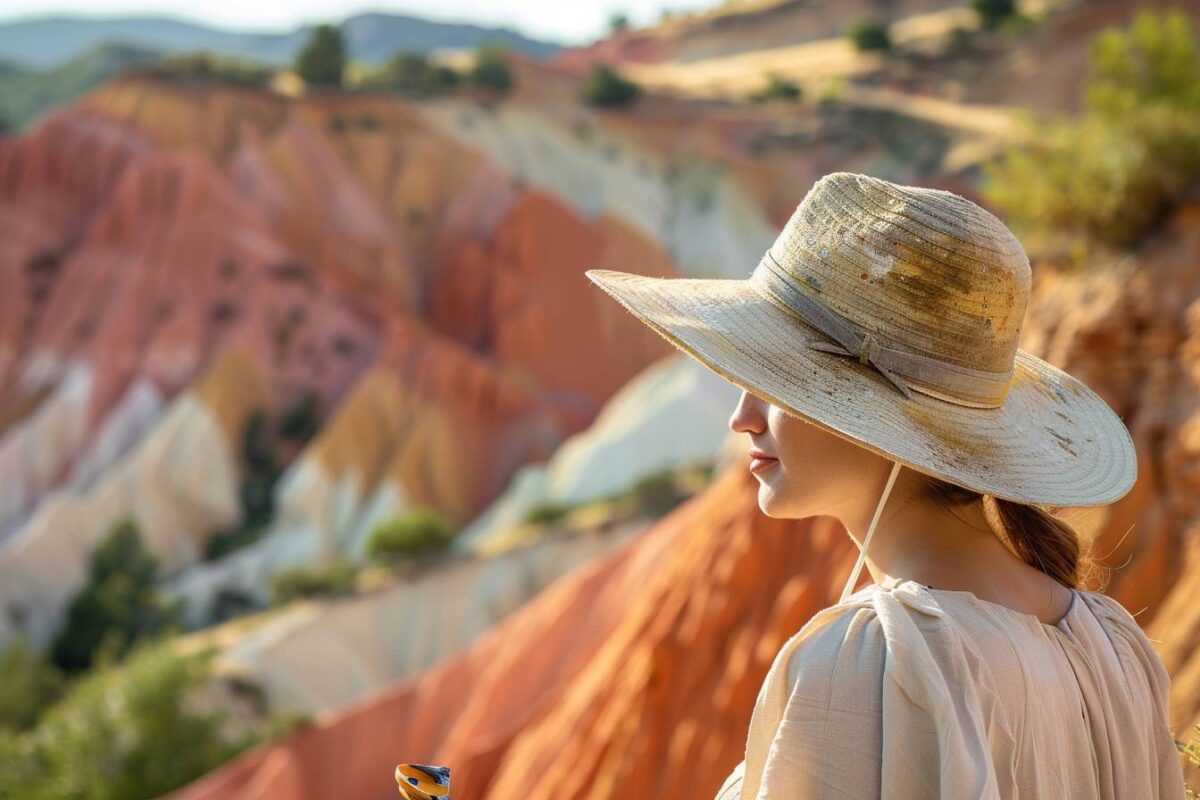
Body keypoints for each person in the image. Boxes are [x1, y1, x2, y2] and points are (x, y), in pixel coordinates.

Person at [584, 172, 1188, 798]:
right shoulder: (1113, 647)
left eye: (774, 382)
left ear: (875, 416)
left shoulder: (875, 665)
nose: (743, 418)